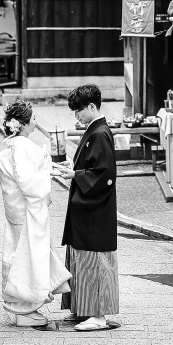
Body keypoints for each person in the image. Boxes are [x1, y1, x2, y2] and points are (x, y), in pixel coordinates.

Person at [0, 100, 71, 327]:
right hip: (26, 212)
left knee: (20, 257)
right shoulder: (22, 146)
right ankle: (23, 309)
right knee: (26, 259)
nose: (36, 122)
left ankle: (24, 307)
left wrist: (49, 168)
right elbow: (28, 182)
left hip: (16, 212)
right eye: (34, 118)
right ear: (23, 124)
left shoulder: (11, 146)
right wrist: (47, 174)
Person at [57, 84, 120, 331]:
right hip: (88, 207)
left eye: (79, 111)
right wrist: (73, 171)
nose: (76, 116)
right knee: (81, 257)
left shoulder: (99, 133)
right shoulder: (95, 130)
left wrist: (75, 174)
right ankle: (83, 309)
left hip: (96, 209)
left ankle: (98, 315)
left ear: (92, 107)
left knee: (94, 260)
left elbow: (103, 174)